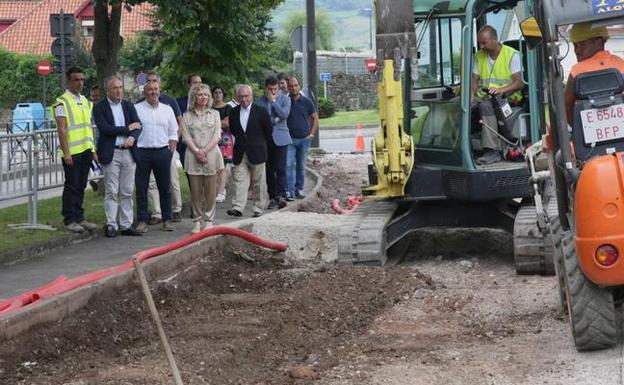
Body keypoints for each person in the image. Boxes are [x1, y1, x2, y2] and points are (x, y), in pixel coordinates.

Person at [93, 75, 143, 237]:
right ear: (108, 90)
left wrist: (132, 137)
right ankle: (111, 224)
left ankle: (126, 224)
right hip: (111, 152)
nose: (119, 91)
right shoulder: (100, 107)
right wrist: (127, 128)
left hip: (128, 152)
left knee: (127, 190)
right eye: (115, 88)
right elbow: (105, 129)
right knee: (111, 190)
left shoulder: (128, 105)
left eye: (120, 87)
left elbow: (138, 126)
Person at [471, 25, 523, 165]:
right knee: (461, 103)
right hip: (485, 95)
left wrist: (501, 90)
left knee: (486, 106)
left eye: (484, 42)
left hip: (508, 97)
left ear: (494, 39)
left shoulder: (512, 55)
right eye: (479, 42)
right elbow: (474, 80)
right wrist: (470, 95)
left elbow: (519, 83)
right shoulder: (479, 56)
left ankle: (491, 151)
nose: (481, 46)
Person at [54, 67, 98, 233]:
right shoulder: (61, 103)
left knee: (81, 185)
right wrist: (66, 153)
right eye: (76, 80)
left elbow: (88, 128)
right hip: (71, 152)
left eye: (82, 79)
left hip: (85, 150)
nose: (80, 83)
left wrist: (92, 149)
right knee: (71, 185)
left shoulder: (86, 102)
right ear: (68, 81)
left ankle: (80, 217)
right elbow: (62, 129)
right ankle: (69, 218)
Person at [138, 71, 184, 224]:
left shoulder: (167, 108)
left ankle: (167, 218)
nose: (153, 92)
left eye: (155, 89)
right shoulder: (136, 108)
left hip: (163, 152)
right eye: (150, 89)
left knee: (165, 187)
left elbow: (174, 128)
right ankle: (143, 220)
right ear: (145, 92)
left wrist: (173, 142)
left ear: (159, 90)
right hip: (143, 152)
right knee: (143, 188)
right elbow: (132, 129)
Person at [180, 84, 224, 233]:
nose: (203, 97)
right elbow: (185, 136)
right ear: (194, 97)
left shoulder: (215, 114)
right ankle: (197, 221)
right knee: (196, 191)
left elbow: (217, 135)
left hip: (211, 155)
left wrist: (204, 151)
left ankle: (209, 220)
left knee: (211, 190)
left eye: (206, 94)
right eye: (200, 94)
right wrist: (197, 151)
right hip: (193, 156)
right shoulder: (187, 116)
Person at [226, 84, 272, 218]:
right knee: (239, 180)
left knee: (259, 181)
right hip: (240, 151)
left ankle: (258, 207)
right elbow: (234, 130)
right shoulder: (233, 112)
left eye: (246, 96)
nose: (244, 99)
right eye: (241, 96)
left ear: (251, 96)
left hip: (257, 151)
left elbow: (268, 130)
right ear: (237, 97)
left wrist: (258, 141)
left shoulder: (261, 111)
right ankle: (238, 207)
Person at [564, 23, 624, 124]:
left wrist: (573, 127)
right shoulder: (620, 64)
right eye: (575, 45)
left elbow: (567, 104)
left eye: (582, 44)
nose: (577, 50)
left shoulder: (577, 71)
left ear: (599, 42)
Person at [256, 76, 291, 209]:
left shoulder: (285, 99)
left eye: (275, 89)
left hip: (281, 138)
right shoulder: (259, 102)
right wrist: (272, 120)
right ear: (266, 89)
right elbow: (260, 120)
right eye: (270, 89)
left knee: (281, 168)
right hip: (266, 139)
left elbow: (284, 115)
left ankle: (282, 195)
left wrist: (274, 102)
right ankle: (273, 197)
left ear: (279, 88)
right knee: (269, 170)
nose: (273, 92)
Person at [286, 76, 318, 200]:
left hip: (305, 139)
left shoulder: (307, 101)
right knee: (288, 165)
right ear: (288, 88)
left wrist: (312, 134)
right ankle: (290, 191)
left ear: (299, 86)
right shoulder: (285, 101)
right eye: (291, 86)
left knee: (301, 165)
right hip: (290, 140)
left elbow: (315, 117)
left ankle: (299, 189)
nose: (293, 88)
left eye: (295, 85)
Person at [213, 86, 233, 203]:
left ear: (223, 94)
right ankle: (217, 190)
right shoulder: (210, 107)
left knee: (224, 166)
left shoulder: (228, 107)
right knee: (215, 166)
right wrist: (219, 123)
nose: (218, 94)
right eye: (215, 92)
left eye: (220, 92)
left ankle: (221, 191)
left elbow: (227, 123)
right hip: (213, 138)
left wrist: (216, 123)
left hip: (225, 139)